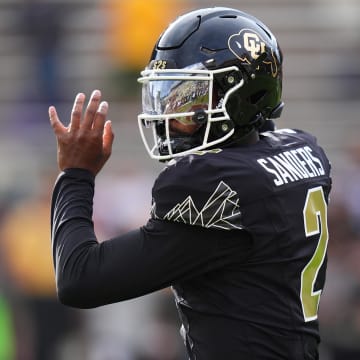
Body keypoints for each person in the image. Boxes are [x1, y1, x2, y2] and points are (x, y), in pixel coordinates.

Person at [49, 7, 332, 360]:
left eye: (189, 97)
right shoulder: (303, 151)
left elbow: (79, 279)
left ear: (240, 98)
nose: (169, 111)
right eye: (169, 95)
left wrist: (76, 174)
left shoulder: (213, 183)